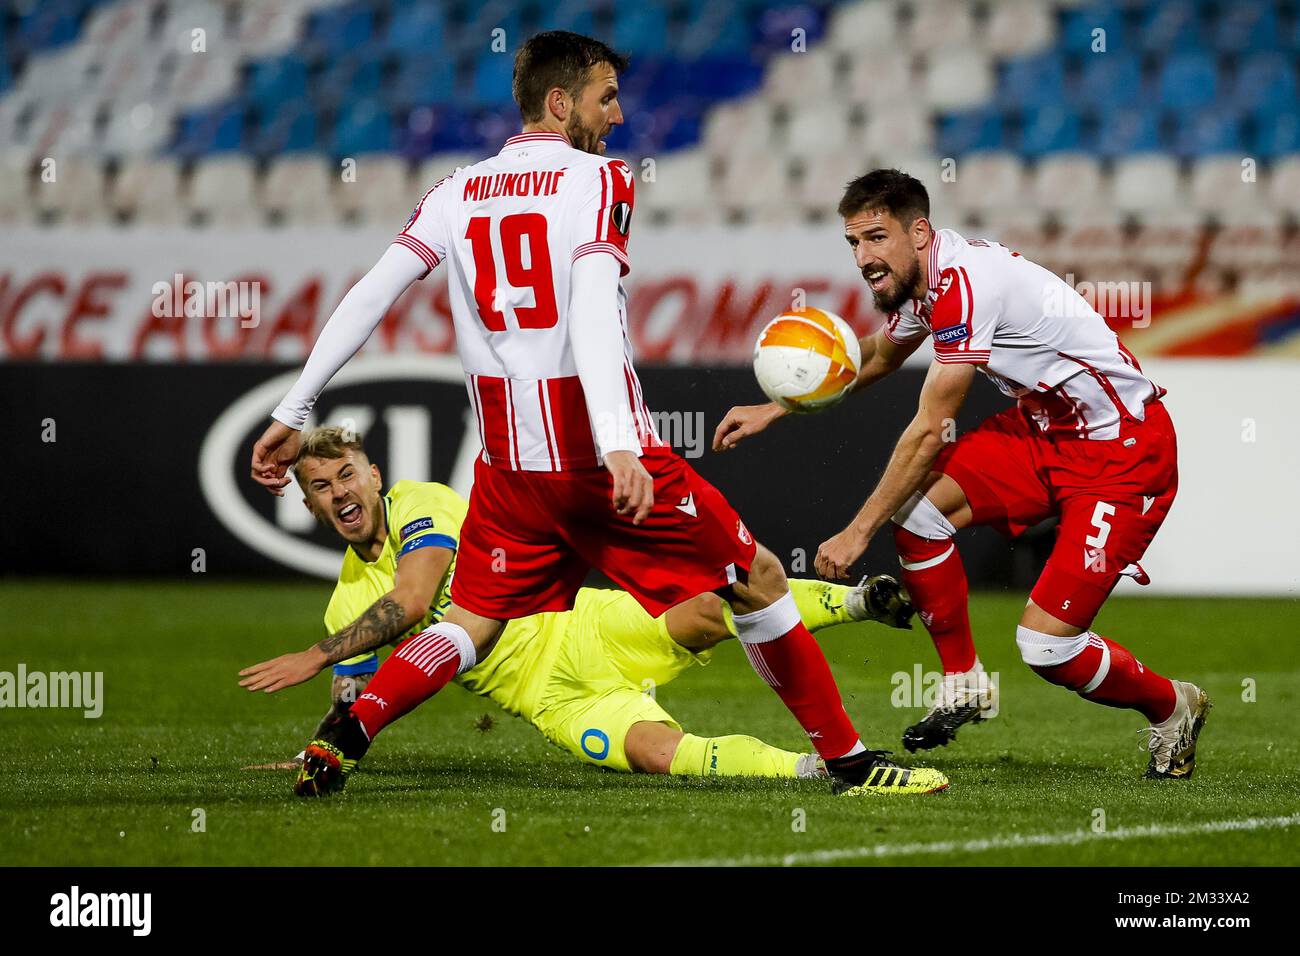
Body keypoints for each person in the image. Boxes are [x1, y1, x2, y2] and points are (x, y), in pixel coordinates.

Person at [249, 33, 948, 797]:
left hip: (508, 465)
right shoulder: (600, 179)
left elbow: (373, 292)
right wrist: (618, 442)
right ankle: (851, 765)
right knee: (757, 579)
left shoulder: (453, 190)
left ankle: (350, 733)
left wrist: (295, 404)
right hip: (590, 448)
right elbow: (588, 307)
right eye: (605, 96)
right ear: (560, 103)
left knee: (472, 620)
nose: (617, 116)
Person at [714, 169, 1209, 779]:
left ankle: (1171, 706)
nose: (864, 258)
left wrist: (856, 531)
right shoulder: (927, 283)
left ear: (918, 232)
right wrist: (777, 406)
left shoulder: (965, 285)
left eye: (875, 238)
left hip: (1122, 451)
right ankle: (964, 682)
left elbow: (928, 429)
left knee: (1047, 648)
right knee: (919, 516)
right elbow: (880, 353)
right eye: (853, 243)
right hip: (1043, 431)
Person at [239, 427, 918, 781]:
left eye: (347, 474)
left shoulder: (422, 503)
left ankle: (859, 600)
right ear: (310, 505)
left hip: (579, 625)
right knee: (657, 754)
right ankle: (802, 770)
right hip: (547, 699)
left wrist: (314, 655)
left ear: (374, 475)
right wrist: (319, 751)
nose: (340, 492)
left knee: (712, 609)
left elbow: (413, 601)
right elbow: (349, 701)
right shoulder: (342, 608)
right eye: (322, 486)